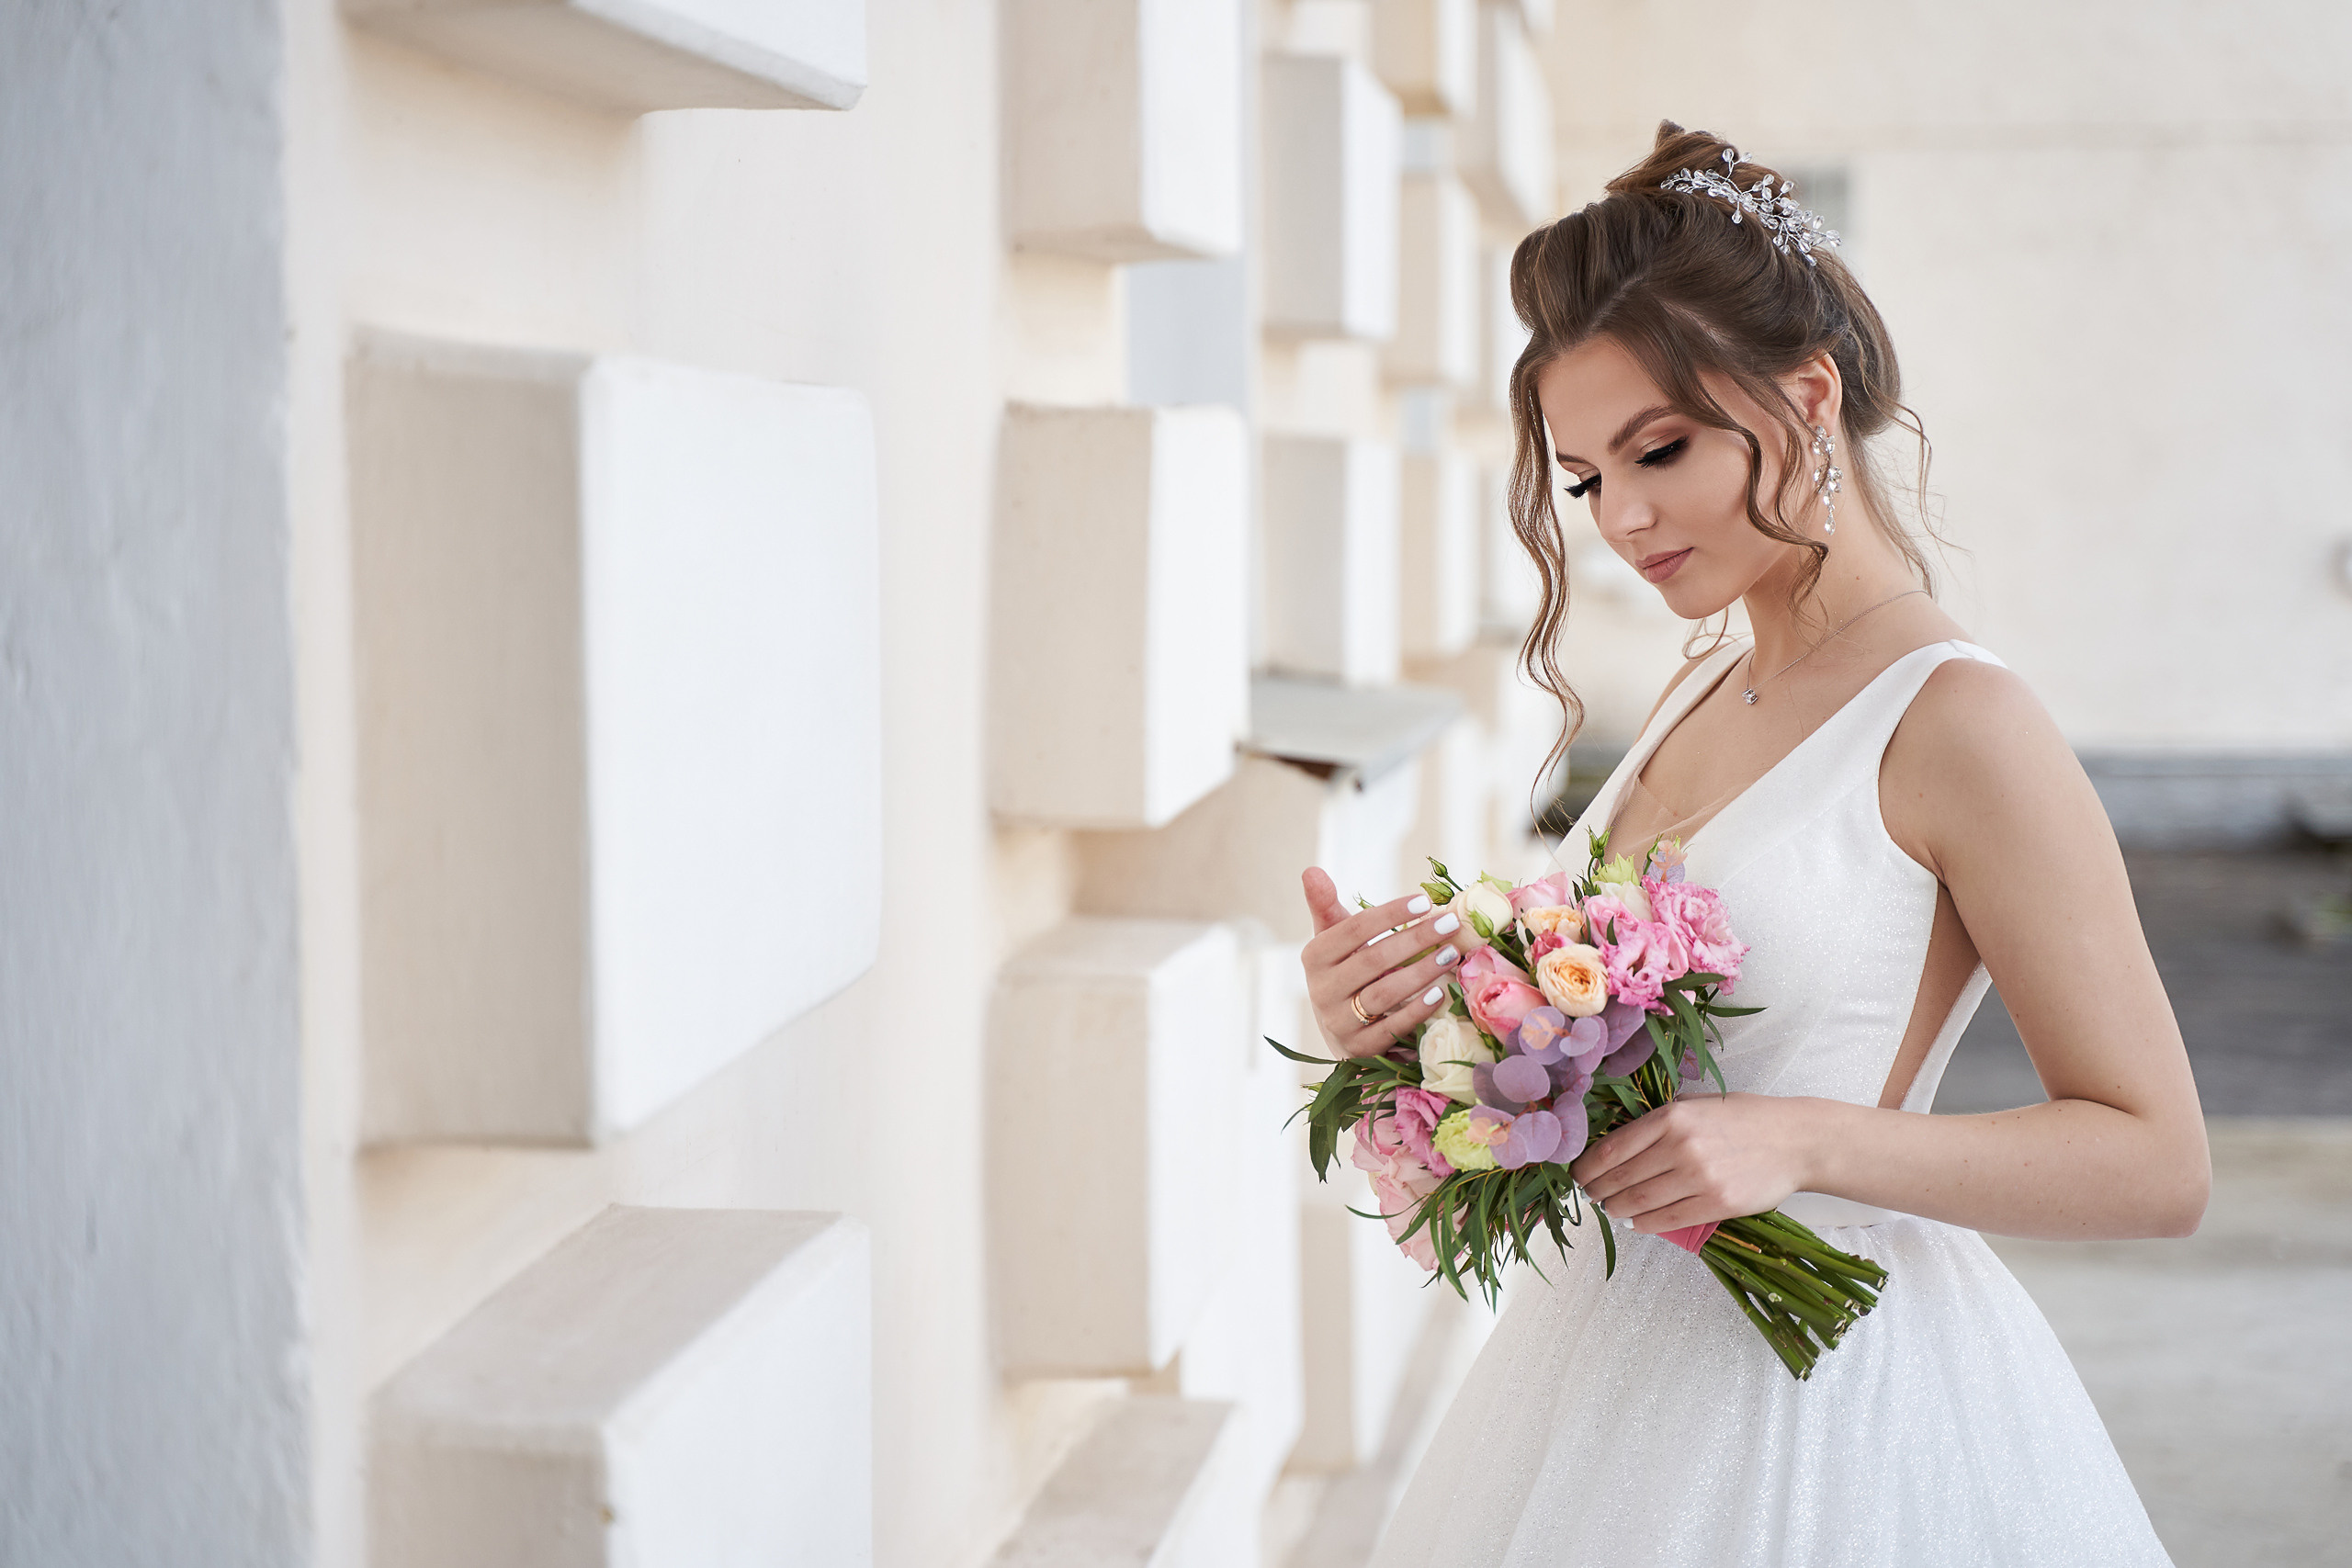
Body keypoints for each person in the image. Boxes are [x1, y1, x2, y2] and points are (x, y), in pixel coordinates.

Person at [1295, 122, 2205, 1566]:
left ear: (1808, 396)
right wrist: (1411, 1029)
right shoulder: (1706, 687)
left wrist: (1808, 1142)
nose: (1626, 519)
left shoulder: (1959, 721)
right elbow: (1623, 1069)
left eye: (1660, 451)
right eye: (1587, 477)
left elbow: (2159, 1163)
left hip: (1816, 1413)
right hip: (1600, 1376)